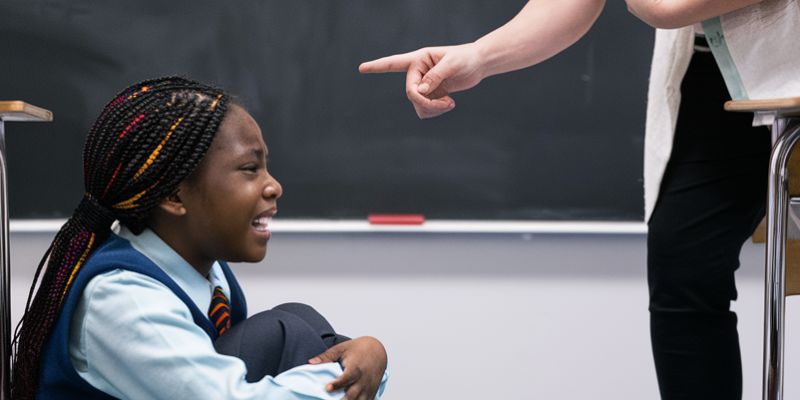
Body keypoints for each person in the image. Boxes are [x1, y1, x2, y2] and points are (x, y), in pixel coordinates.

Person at [359, 0, 769, 398]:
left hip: (785, 68)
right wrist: (479, 57)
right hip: (712, 66)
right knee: (685, 273)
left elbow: (666, 7)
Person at [11, 77, 389, 400]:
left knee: (295, 318)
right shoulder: (124, 299)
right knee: (284, 331)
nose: (274, 186)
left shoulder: (205, 271)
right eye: (249, 169)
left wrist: (366, 355)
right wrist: (348, 379)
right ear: (174, 196)